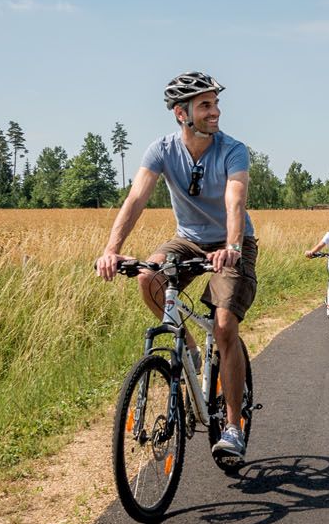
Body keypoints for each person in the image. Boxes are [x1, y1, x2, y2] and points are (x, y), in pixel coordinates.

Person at [96, 72, 257, 473]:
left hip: (231, 244)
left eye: (216, 104)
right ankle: (190, 348)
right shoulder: (162, 150)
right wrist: (112, 250)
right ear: (180, 113)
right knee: (148, 278)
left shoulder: (233, 150)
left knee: (224, 326)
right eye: (205, 105)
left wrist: (232, 248)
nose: (215, 111)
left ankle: (233, 427)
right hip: (187, 240)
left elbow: (235, 200)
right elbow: (136, 197)